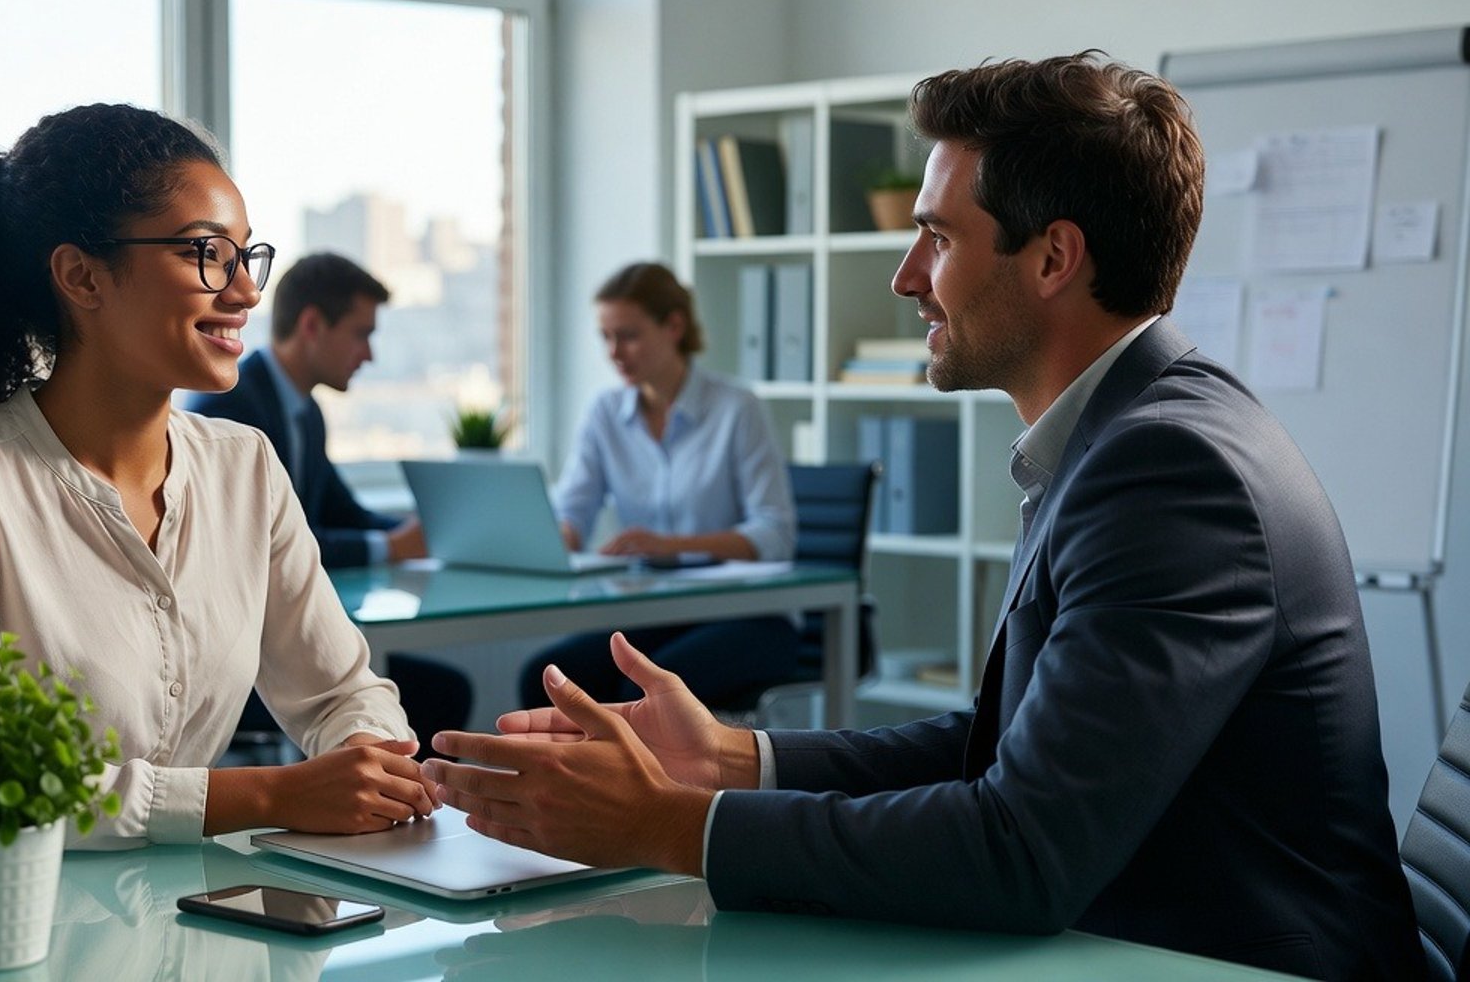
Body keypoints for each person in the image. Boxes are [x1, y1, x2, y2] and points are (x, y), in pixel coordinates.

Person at [423, 54, 1423, 980]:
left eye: (938, 237)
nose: (907, 276)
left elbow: (1018, 851)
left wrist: (669, 828)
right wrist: (736, 759)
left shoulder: (1170, 470)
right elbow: (1003, 750)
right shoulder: (1126, 436)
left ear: (1052, 258)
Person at [0, 103, 434, 867]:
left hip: (158, 910)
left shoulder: (244, 465)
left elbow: (339, 689)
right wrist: (274, 798)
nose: (245, 292)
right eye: (206, 254)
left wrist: (371, 764)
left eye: (247, 257)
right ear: (82, 276)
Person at [184, 251, 472, 744]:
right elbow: (266, 547)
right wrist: (392, 548)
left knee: (441, 690)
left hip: (284, 642)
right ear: (313, 324)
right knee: (435, 695)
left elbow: (343, 513)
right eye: (362, 334)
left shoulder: (304, 411)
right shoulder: (227, 409)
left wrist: (422, 532)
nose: (370, 355)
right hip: (243, 661)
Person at [515, 262, 798, 708]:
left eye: (627, 335)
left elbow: (774, 534)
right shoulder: (604, 413)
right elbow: (574, 513)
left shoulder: (736, 409)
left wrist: (671, 544)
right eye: (605, 337)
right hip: (653, 613)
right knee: (546, 678)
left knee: (643, 695)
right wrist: (549, 541)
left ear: (674, 326)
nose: (614, 352)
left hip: (747, 616)